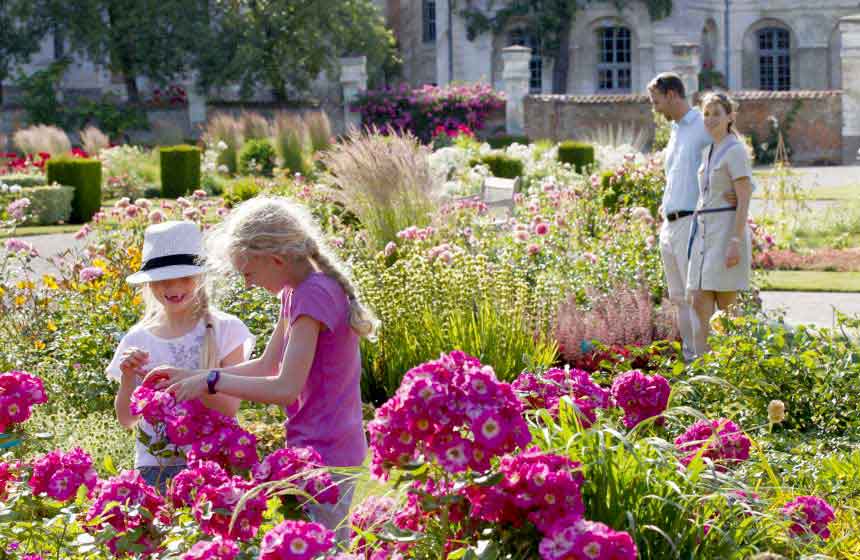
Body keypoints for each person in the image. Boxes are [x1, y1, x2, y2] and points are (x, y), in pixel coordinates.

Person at [144, 197, 377, 539]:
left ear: (277, 259)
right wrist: (193, 377)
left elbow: (284, 388)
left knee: (323, 548)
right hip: (315, 446)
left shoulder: (311, 295)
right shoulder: (295, 291)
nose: (249, 283)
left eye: (249, 273)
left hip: (330, 452)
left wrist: (211, 381)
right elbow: (269, 364)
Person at [107, 221, 253, 492]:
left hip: (213, 460)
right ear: (149, 284)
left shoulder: (226, 330)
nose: (173, 288)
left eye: (184, 278)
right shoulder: (137, 338)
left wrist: (187, 381)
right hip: (155, 465)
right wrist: (128, 378)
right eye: (163, 280)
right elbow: (128, 420)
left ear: (200, 278)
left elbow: (230, 407)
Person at [648, 72, 735, 361]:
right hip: (669, 225)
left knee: (695, 296)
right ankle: (690, 362)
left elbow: (732, 150)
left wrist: (735, 192)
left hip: (691, 222)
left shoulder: (702, 124)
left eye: (656, 100)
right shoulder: (675, 131)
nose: (655, 107)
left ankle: (706, 361)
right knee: (678, 298)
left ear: (672, 94)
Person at [687, 91, 753, 354]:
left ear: (730, 117)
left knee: (728, 311)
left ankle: (736, 371)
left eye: (716, 113)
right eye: (706, 114)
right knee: (698, 302)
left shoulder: (735, 151)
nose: (710, 119)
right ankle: (701, 371)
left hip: (726, 234)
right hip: (703, 235)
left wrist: (735, 241)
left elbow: (744, 195)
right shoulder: (706, 152)